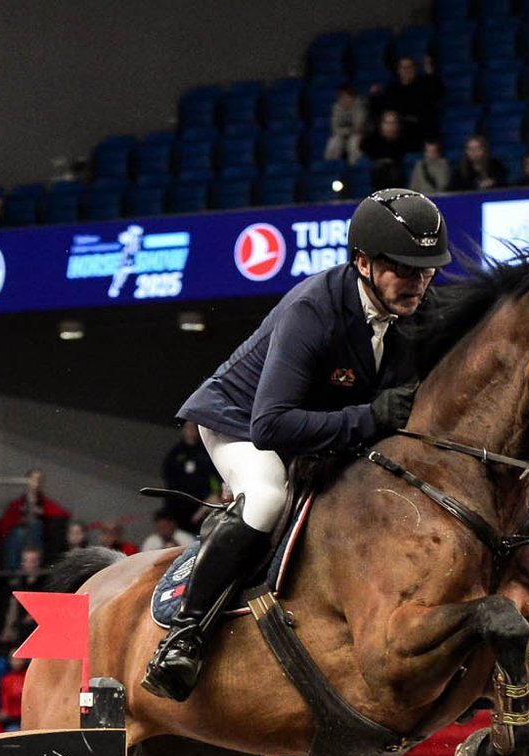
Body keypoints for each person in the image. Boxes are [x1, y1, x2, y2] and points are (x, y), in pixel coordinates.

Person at [149, 189, 446, 700]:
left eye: (426, 270)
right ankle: (186, 635)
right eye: (403, 268)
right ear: (363, 262)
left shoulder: (417, 307)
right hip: (241, 422)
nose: (417, 282)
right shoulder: (313, 309)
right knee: (268, 496)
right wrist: (367, 416)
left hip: (320, 421)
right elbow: (272, 426)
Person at [0, 469, 70, 569]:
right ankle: (13, 571)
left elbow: (62, 513)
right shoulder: (17, 503)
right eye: (32, 479)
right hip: (18, 536)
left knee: (36, 525)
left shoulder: (45, 503)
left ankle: (34, 566)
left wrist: (42, 513)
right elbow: (6, 524)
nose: (35, 483)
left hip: (38, 534)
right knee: (18, 534)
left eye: (38, 480)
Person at [360, 109, 415, 187]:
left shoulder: (404, 139)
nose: (390, 126)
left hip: (397, 172)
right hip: (377, 172)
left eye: (393, 123)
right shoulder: (372, 139)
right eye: (387, 123)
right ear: (382, 124)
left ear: (397, 125)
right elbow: (364, 151)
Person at [323, 85, 367, 162]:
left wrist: (346, 130)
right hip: (342, 135)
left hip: (360, 135)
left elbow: (358, 127)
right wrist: (349, 130)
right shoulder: (336, 108)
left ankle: (354, 168)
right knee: (333, 142)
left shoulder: (359, 106)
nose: (344, 100)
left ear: (353, 98)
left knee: (354, 143)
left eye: (347, 97)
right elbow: (335, 128)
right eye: (341, 97)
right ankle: (331, 167)